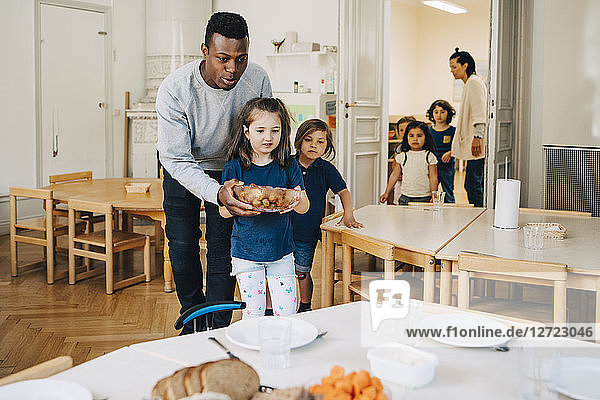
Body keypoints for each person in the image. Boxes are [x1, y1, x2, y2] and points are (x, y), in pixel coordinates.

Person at [156, 12, 272, 334]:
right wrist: (215, 191)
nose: (232, 69)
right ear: (204, 51)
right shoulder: (175, 89)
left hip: (233, 169)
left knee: (223, 246)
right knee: (182, 244)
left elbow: (264, 131)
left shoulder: (258, 79)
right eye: (223, 59)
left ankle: (218, 325)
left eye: (241, 58)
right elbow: (176, 159)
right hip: (183, 169)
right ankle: (193, 320)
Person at [220, 97, 310, 318]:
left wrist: (294, 197)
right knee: (253, 313)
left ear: (283, 132)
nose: (268, 137)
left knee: (287, 314)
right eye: (260, 130)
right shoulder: (234, 168)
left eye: (275, 131)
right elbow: (223, 212)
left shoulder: (289, 166)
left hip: (282, 253)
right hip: (245, 255)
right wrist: (237, 202)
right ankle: (253, 352)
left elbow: (304, 208)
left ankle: (283, 351)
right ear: (246, 132)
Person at [290, 119, 362, 313]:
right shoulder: (286, 164)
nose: (314, 145)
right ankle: (283, 308)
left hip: (307, 233)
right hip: (282, 231)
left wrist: (348, 214)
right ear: (299, 141)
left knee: (302, 272)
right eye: (308, 139)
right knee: (282, 274)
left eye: (320, 142)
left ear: (327, 146)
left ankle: (305, 307)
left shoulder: (326, 169)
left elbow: (344, 191)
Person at [449, 47, 487, 207]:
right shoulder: (470, 83)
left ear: (465, 65)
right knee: (472, 184)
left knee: (472, 185)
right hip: (474, 141)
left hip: (476, 142)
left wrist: (478, 137)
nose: (451, 71)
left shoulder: (474, 83)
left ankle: (480, 216)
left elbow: (480, 111)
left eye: (454, 66)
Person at [393, 121, 438, 205]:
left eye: (419, 136)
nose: (415, 139)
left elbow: (433, 177)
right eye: (411, 136)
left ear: (425, 139)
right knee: (404, 218)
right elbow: (394, 175)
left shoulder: (429, 156)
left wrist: (434, 195)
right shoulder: (402, 156)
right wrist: (386, 192)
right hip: (405, 197)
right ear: (407, 138)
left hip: (424, 197)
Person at [380, 116, 417, 204]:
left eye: (407, 129)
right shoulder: (399, 148)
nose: (404, 133)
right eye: (401, 130)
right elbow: (395, 165)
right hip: (401, 183)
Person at [426, 99, 456, 203]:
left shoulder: (453, 130)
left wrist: (451, 153)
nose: (439, 115)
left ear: (448, 113)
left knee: (448, 191)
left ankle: (450, 212)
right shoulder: (428, 131)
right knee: (431, 192)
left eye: (442, 112)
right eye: (436, 112)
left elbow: (458, 147)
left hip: (447, 167)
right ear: (432, 114)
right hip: (431, 167)